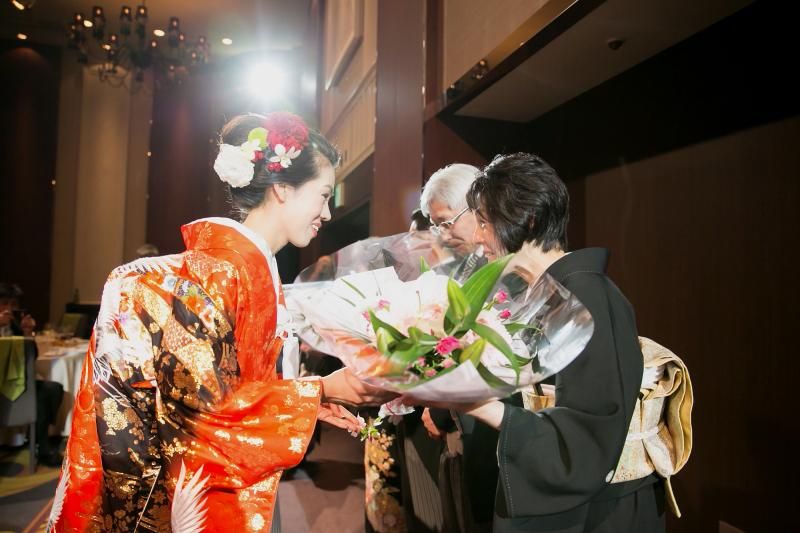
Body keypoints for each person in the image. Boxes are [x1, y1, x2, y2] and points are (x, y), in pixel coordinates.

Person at [49, 112, 394, 532]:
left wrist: (311, 401)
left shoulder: (237, 270)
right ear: (283, 189)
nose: (326, 212)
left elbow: (231, 387)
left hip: (240, 476)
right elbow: (206, 413)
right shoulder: (216, 276)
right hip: (202, 491)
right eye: (323, 195)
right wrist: (320, 389)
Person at [430, 152, 664, 532]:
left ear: (529, 219)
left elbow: (587, 438)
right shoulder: (536, 296)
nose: (476, 237)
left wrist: (479, 406)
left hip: (596, 514)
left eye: (485, 222)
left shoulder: (589, 296)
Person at [0, 282, 64, 467]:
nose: (8, 308)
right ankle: (42, 446)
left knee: (53, 389)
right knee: (40, 396)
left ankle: (39, 440)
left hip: (14, 381)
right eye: (4, 303)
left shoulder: (14, 325)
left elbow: (30, 357)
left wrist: (28, 332)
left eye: (12, 304)